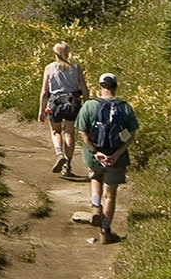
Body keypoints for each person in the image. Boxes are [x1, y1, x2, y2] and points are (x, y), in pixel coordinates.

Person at [76, 71, 139, 244]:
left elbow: (82, 132)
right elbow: (131, 134)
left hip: (94, 156)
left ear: (100, 87)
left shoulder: (89, 106)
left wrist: (95, 152)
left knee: (95, 177)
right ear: (115, 87)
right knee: (110, 195)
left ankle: (96, 206)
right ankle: (105, 231)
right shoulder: (125, 107)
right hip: (116, 157)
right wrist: (117, 153)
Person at [37, 41, 86, 176]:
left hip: (55, 102)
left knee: (55, 131)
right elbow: (84, 88)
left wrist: (41, 109)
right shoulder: (76, 68)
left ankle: (59, 153)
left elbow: (44, 92)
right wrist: (86, 105)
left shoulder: (49, 68)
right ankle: (68, 165)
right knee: (69, 133)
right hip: (73, 101)